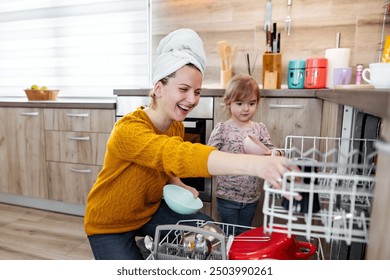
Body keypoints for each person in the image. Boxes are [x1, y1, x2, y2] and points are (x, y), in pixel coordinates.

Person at [84, 28, 296, 260]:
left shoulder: (175, 125)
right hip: (109, 223)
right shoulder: (128, 130)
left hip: (148, 213)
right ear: (158, 88)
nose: (193, 99)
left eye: (197, 92)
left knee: (210, 231)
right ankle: (148, 251)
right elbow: (174, 154)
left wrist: (179, 184)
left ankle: (150, 249)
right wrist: (256, 165)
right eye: (183, 89)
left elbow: (162, 164)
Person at [207, 74, 282, 233]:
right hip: (226, 197)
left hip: (251, 198)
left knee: (244, 235)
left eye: (251, 103)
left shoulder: (259, 128)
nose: (246, 108)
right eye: (239, 103)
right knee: (228, 236)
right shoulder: (222, 129)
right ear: (228, 102)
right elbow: (208, 155)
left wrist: (276, 153)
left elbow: (270, 149)